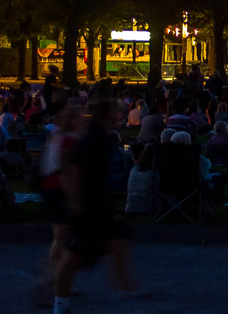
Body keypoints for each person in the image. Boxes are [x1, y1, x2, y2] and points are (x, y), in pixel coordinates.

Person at [51, 100, 146, 311]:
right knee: (73, 255)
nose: (119, 114)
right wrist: (75, 200)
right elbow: (73, 168)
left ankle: (125, 288)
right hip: (89, 205)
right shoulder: (95, 138)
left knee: (118, 241)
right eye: (115, 110)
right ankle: (60, 304)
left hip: (96, 204)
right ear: (107, 114)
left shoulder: (100, 136)